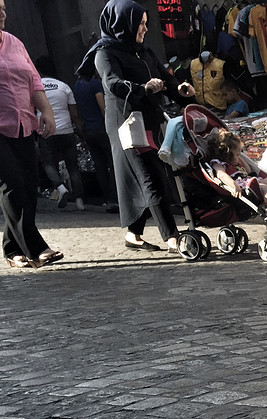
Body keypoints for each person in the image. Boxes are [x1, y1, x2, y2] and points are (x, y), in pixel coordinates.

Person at [77, 0, 195, 253]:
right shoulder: (104, 53)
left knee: (145, 175)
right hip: (127, 123)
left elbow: (166, 77)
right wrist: (143, 88)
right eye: (140, 24)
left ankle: (134, 234)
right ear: (124, 24)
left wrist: (180, 90)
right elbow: (114, 84)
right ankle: (172, 237)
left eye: (144, 23)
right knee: (150, 176)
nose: (144, 28)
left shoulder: (143, 51)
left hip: (149, 120)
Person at [0, 0, 64, 268]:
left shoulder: (15, 42)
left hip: (24, 125)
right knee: (11, 185)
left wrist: (46, 112)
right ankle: (37, 247)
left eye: (4, 7)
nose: (3, 13)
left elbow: (33, 80)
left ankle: (12, 249)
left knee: (27, 185)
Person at [204, 129, 267, 223]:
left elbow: (248, 171)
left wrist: (240, 160)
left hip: (250, 182)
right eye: (237, 155)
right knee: (266, 188)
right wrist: (233, 185)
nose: (239, 157)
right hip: (242, 188)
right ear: (226, 155)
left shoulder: (236, 163)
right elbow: (221, 175)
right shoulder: (218, 164)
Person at [36, 57, 87, 211]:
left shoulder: (36, 88)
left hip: (46, 131)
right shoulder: (64, 87)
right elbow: (75, 114)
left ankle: (60, 187)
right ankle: (79, 201)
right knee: (73, 167)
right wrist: (81, 134)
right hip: (66, 131)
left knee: (48, 163)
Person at [74, 63, 118, 214]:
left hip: (88, 130)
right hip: (101, 128)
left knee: (99, 166)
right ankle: (116, 198)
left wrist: (82, 133)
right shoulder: (95, 84)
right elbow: (103, 107)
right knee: (113, 163)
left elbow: (77, 112)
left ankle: (108, 200)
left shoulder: (77, 86)